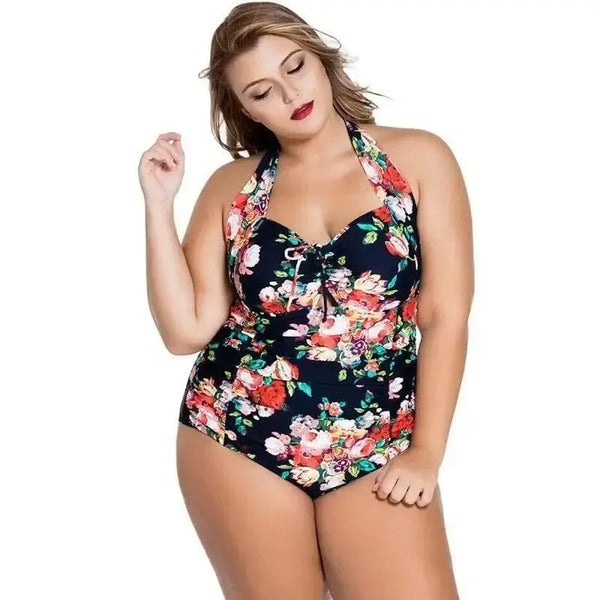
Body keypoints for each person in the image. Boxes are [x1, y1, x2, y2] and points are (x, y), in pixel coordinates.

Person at [138, 2, 473, 598]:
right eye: (262, 91)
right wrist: (159, 203)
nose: (290, 94)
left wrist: (426, 452)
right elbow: (185, 331)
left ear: (320, 57)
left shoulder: (419, 159)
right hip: (238, 431)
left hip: (377, 439)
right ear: (246, 109)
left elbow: (445, 317)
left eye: (294, 67)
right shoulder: (232, 188)